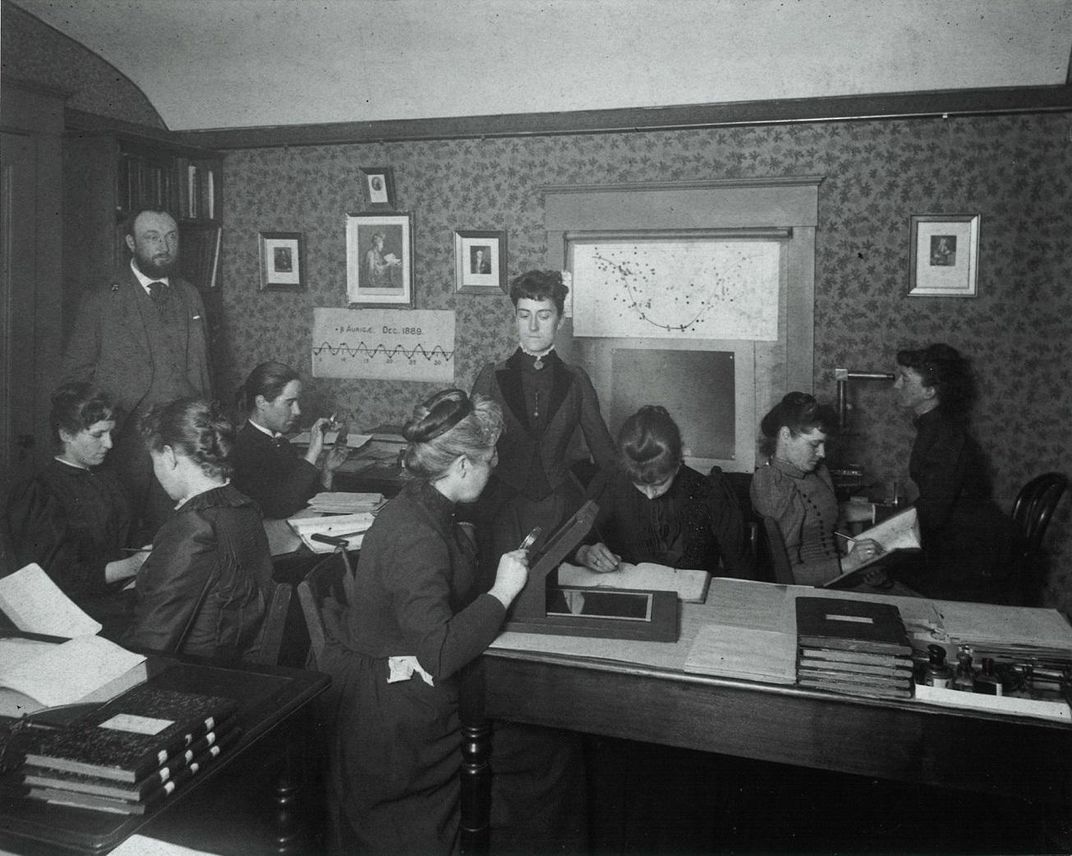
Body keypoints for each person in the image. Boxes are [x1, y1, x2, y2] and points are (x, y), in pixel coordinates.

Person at [317, 389, 529, 854]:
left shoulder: (422, 505)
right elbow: (437, 652)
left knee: (534, 749)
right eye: (489, 460)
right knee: (534, 755)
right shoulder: (415, 535)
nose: (493, 469)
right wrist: (502, 591)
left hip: (400, 690)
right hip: (395, 717)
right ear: (462, 467)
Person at [62, 206, 212, 540]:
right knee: (123, 540)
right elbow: (75, 377)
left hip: (179, 447)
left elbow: (202, 373)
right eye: (152, 237)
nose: (164, 245)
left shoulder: (190, 295)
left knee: (180, 537)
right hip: (123, 447)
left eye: (172, 237)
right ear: (131, 242)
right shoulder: (102, 298)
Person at [470, 269, 616, 578]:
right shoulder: (491, 377)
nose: (533, 327)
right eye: (524, 316)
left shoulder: (576, 380)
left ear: (560, 320)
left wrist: (591, 517)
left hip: (560, 511)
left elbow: (607, 460)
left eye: (544, 315)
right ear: (515, 318)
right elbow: (469, 452)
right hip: (500, 512)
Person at [123, 398, 272, 661]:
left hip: (193, 675)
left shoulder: (194, 526)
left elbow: (153, 638)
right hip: (235, 662)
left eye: (155, 461)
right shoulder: (245, 507)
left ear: (169, 456)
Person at [4, 383, 146, 638]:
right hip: (74, 618)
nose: (110, 444)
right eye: (97, 435)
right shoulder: (40, 491)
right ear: (66, 434)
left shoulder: (110, 477)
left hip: (118, 601)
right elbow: (55, 579)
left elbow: (129, 535)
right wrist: (132, 566)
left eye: (111, 433)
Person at [893, 344, 1014, 602]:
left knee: (886, 572)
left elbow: (936, 509)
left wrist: (889, 533)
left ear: (930, 391)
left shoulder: (944, 433)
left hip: (973, 548)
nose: (896, 386)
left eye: (904, 379)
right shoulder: (933, 425)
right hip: (960, 536)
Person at [575, 405, 754, 577]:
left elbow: (740, 569)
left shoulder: (709, 493)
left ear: (677, 464)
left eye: (659, 483)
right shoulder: (611, 485)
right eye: (640, 484)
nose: (650, 495)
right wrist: (585, 553)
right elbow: (574, 540)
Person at [750, 392, 887, 587]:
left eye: (824, 444)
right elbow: (786, 575)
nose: (822, 453)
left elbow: (836, 530)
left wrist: (864, 559)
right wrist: (849, 564)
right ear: (786, 435)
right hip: (810, 590)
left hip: (842, 578)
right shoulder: (771, 483)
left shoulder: (818, 472)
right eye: (814, 444)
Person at [231, 361, 350, 519]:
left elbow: (310, 502)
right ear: (261, 403)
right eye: (289, 403)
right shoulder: (244, 449)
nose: (297, 411)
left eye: (297, 402)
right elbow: (281, 508)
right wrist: (312, 453)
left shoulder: (282, 444)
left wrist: (327, 471)